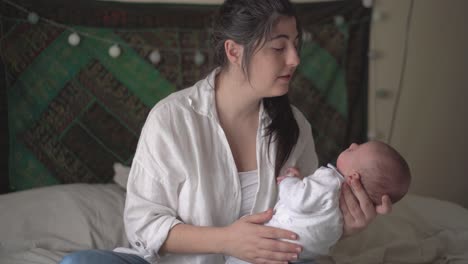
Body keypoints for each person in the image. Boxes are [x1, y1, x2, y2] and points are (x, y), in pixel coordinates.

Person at [60, 1, 392, 263]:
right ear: (234, 51)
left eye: (295, 44)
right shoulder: (172, 120)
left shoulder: (295, 126)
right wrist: (228, 240)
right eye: (279, 47)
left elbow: (302, 228)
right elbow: (143, 227)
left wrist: (342, 229)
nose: (294, 59)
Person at [226, 140, 411, 263]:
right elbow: (315, 209)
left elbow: (300, 200)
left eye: (356, 149)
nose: (353, 144)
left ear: (354, 175)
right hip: (303, 256)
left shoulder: (329, 179)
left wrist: (289, 181)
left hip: (272, 243)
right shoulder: (343, 204)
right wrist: (303, 181)